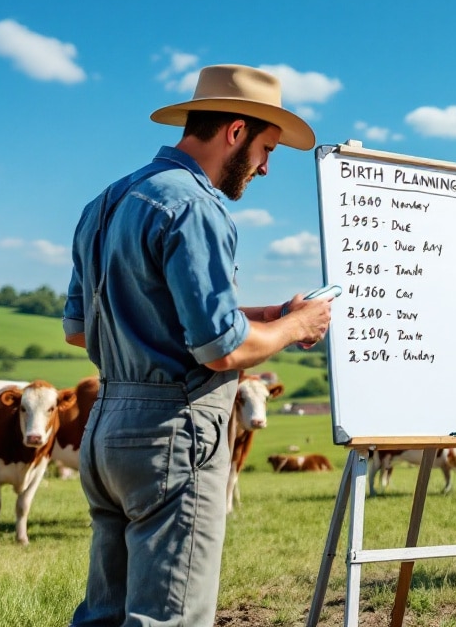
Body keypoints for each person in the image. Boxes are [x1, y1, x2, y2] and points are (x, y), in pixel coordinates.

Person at [62, 64, 334, 627]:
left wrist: (257, 315)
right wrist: (295, 327)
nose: (264, 167)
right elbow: (219, 350)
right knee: (171, 619)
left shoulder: (105, 203)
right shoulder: (196, 205)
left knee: (104, 617)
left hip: (105, 430)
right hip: (172, 434)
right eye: (266, 149)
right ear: (235, 132)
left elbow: (81, 329)